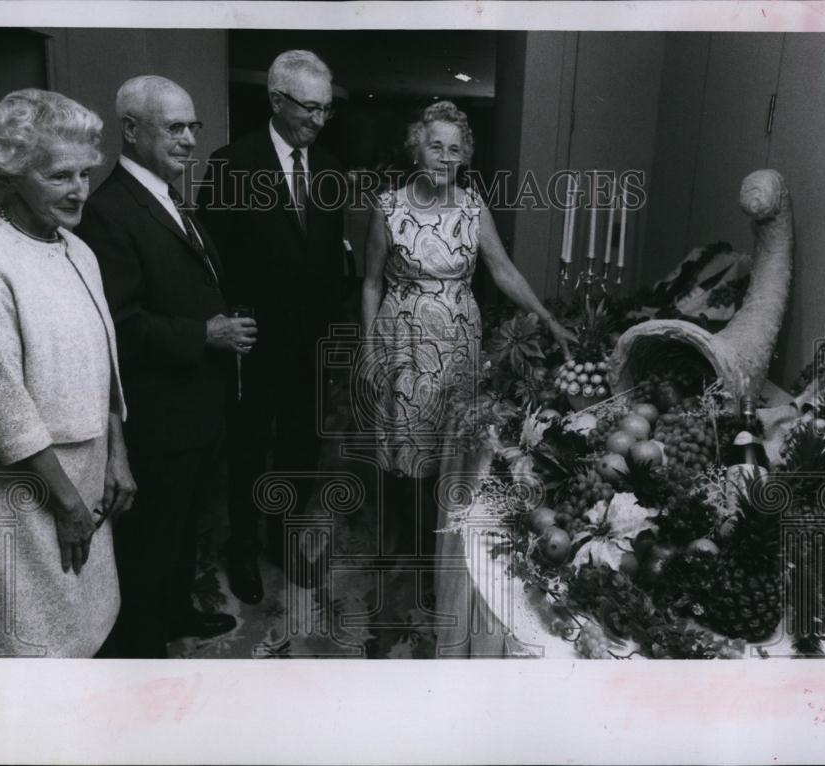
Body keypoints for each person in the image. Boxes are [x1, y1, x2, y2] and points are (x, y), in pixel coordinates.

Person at [0, 89, 136, 657]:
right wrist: (69, 505)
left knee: (86, 624)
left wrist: (116, 453)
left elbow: (105, 363)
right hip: (26, 485)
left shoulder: (78, 248)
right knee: (30, 639)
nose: (79, 190)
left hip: (85, 467)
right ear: (13, 173)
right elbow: (1, 404)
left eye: (84, 172)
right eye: (58, 176)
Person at [76, 76, 251, 658]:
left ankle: (175, 614)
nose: (188, 141)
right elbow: (119, 326)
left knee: (183, 532)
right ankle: (144, 657)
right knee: (151, 543)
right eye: (173, 127)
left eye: (191, 127)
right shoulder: (107, 210)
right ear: (130, 130)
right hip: (158, 416)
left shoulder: (168, 197)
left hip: (196, 407)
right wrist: (205, 333)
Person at [361, 100, 574, 577]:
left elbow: (502, 271)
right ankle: (398, 538)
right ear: (417, 148)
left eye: (455, 149)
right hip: (404, 337)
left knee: (448, 444)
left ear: (466, 157)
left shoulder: (474, 206)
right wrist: (370, 342)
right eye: (435, 146)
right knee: (403, 442)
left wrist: (547, 317)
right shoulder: (388, 205)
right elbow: (372, 282)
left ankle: (435, 549)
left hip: (458, 340)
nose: (445, 157)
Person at [197, 50, 347, 603]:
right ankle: (242, 546)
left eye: (327, 109)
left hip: (311, 345)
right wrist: (227, 322)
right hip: (253, 343)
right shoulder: (231, 165)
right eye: (309, 108)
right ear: (277, 101)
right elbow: (210, 260)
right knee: (248, 449)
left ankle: (283, 537)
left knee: (301, 449)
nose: (319, 120)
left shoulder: (330, 169)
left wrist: (334, 332)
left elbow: (332, 260)